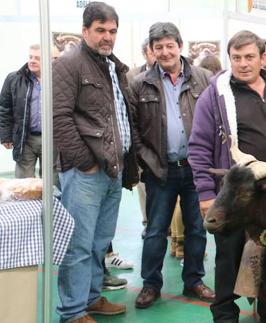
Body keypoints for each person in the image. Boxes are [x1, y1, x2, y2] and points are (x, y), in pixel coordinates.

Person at [188, 30, 266, 323]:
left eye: (249, 57)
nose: (243, 64)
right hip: (237, 194)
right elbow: (199, 145)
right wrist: (206, 194)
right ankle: (225, 314)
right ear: (229, 59)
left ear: (262, 57)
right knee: (228, 256)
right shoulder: (215, 94)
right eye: (236, 58)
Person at [52, 2, 139, 322]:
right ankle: (73, 311)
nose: (107, 37)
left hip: (113, 170)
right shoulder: (69, 64)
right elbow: (58, 118)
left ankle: (90, 298)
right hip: (86, 173)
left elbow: (121, 117)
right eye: (100, 30)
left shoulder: (112, 65)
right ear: (85, 30)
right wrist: (84, 162)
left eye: (112, 31)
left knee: (99, 242)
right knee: (79, 244)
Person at [130, 22, 214, 309]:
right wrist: (149, 162)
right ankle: (150, 285)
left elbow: (216, 123)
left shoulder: (204, 78)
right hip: (160, 170)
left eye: (170, 45)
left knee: (196, 228)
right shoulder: (140, 83)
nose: (165, 52)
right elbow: (134, 131)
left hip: (196, 169)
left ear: (180, 45)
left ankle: (194, 280)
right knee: (155, 231)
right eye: (158, 47)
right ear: (152, 51)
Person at [0, 44, 43, 178]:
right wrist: (5, 136)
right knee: (23, 183)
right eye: (30, 57)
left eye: (37, 58)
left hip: (52, 139)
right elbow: (4, 108)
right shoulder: (14, 79)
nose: (32, 60)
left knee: (52, 182)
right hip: (25, 137)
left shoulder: (58, 80)